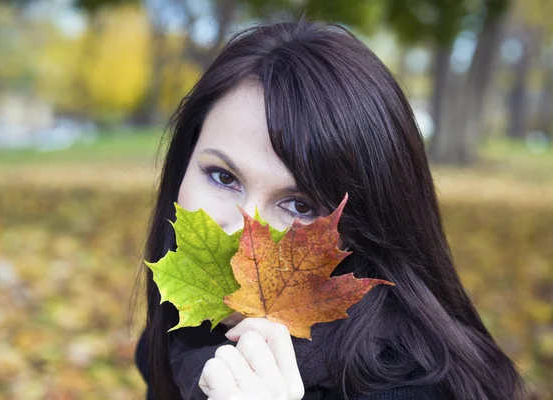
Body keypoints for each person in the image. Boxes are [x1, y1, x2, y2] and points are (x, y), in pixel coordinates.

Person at [134, 18, 524, 400]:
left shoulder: (411, 388)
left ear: (361, 229)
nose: (242, 231)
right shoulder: (176, 342)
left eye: (299, 205)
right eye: (222, 176)